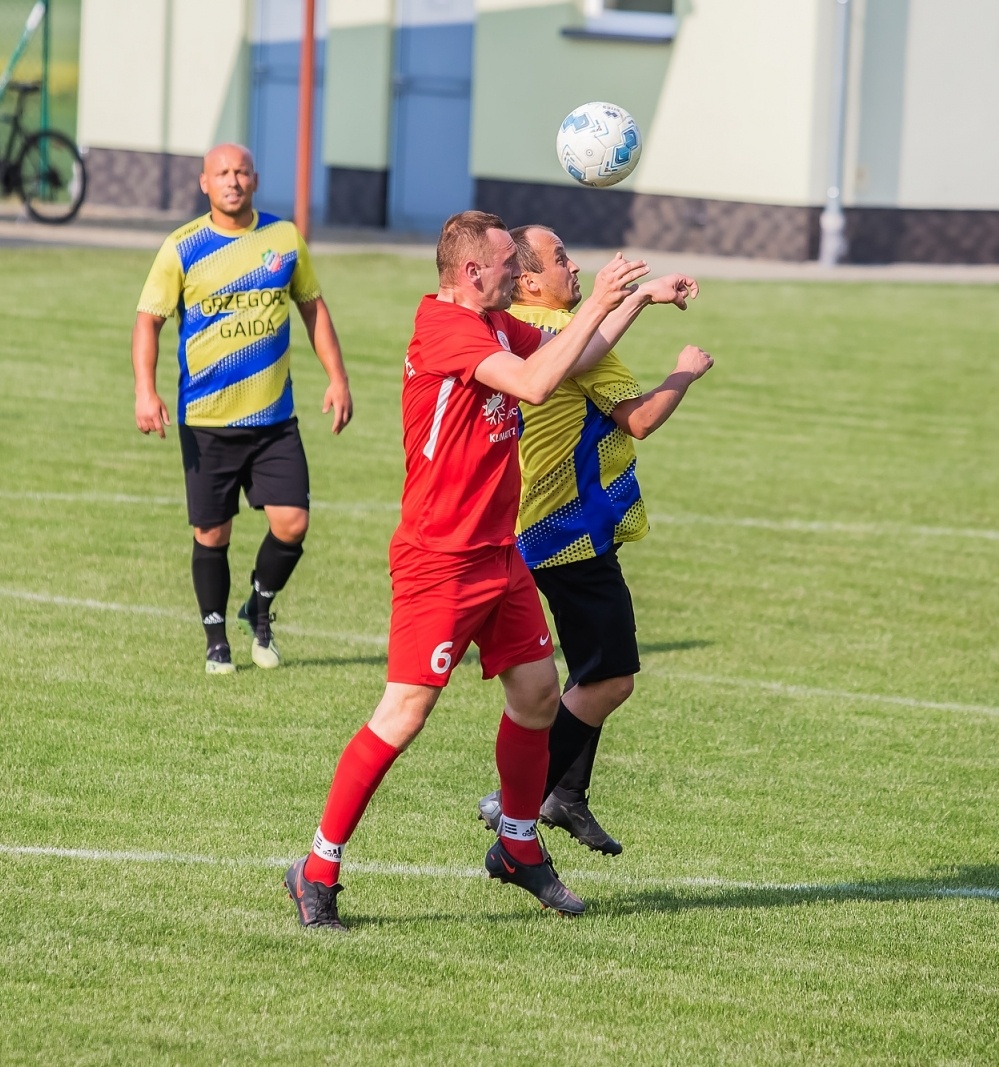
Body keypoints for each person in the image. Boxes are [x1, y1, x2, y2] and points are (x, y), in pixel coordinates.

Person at [284, 210, 697, 929]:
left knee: (538, 694)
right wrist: (596, 294)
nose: (518, 275)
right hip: (439, 561)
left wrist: (638, 299)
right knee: (403, 714)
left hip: (497, 554)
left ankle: (516, 846)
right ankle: (316, 868)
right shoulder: (447, 330)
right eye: (509, 265)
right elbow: (536, 386)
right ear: (473, 273)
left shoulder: (501, 325)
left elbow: (576, 349)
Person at [477, 224, 713, 856]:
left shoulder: (523, 327)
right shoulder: (561, 334)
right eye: (561, 259)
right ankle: (520, 801)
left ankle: (565, 797)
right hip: (569, 534)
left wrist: (638, 298)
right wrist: (684, 373)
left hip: (536, 530)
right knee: (609, 679)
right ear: (528, 280)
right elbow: (638, 418)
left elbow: (581, 338)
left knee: (589, 673)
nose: (574, 266)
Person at [134, 143, 353, 674]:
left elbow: (313, 309)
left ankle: (259, 607)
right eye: (222, 173)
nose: (233, 180)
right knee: (213, 534)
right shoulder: (182, 246)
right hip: (207, 420)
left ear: (255, 180)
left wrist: (337, 378)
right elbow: (148, 320)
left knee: (292, 524)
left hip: (274, 419)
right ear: (204, 183)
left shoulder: (283, 238)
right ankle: (216, 643)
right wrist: (145, 389)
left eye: (242, 172)